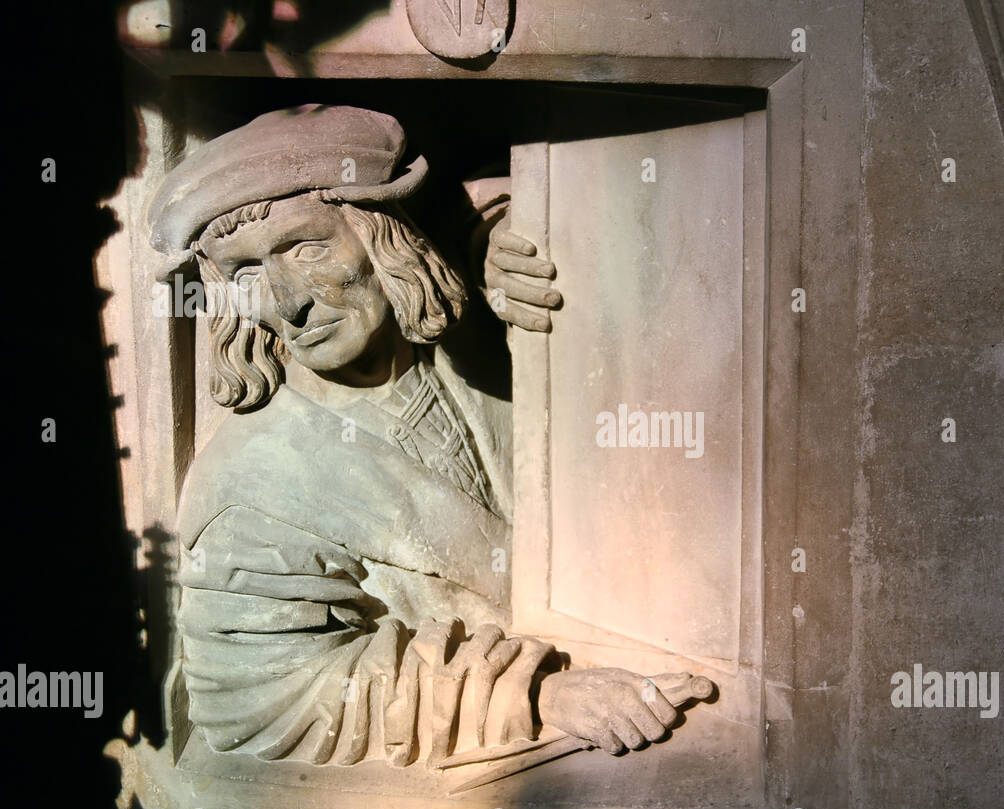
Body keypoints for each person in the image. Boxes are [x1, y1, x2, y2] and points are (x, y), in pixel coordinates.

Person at [149, 104, 698, 770]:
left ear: (383, 237)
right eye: (245, 273)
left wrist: (499, 229)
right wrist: (532, 696)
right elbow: (260, 702)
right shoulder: (254, 485)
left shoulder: (471, 341)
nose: (288, 300)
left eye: (307, 247)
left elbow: (545, 203)